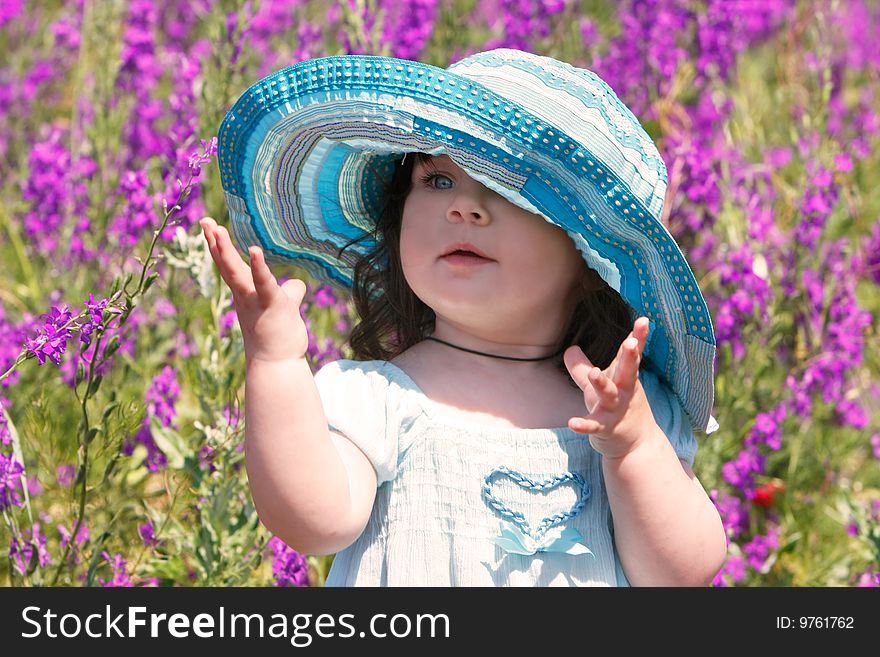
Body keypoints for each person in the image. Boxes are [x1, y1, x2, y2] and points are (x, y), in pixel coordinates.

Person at [202, 47, 727, 586]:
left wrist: (633, 447)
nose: (465, 208)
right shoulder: (379, 399)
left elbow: (681, 572)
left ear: (591, 260)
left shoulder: (625, 416)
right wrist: (276, 362)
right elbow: (315, 521)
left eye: (509, 193)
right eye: (438, 181)